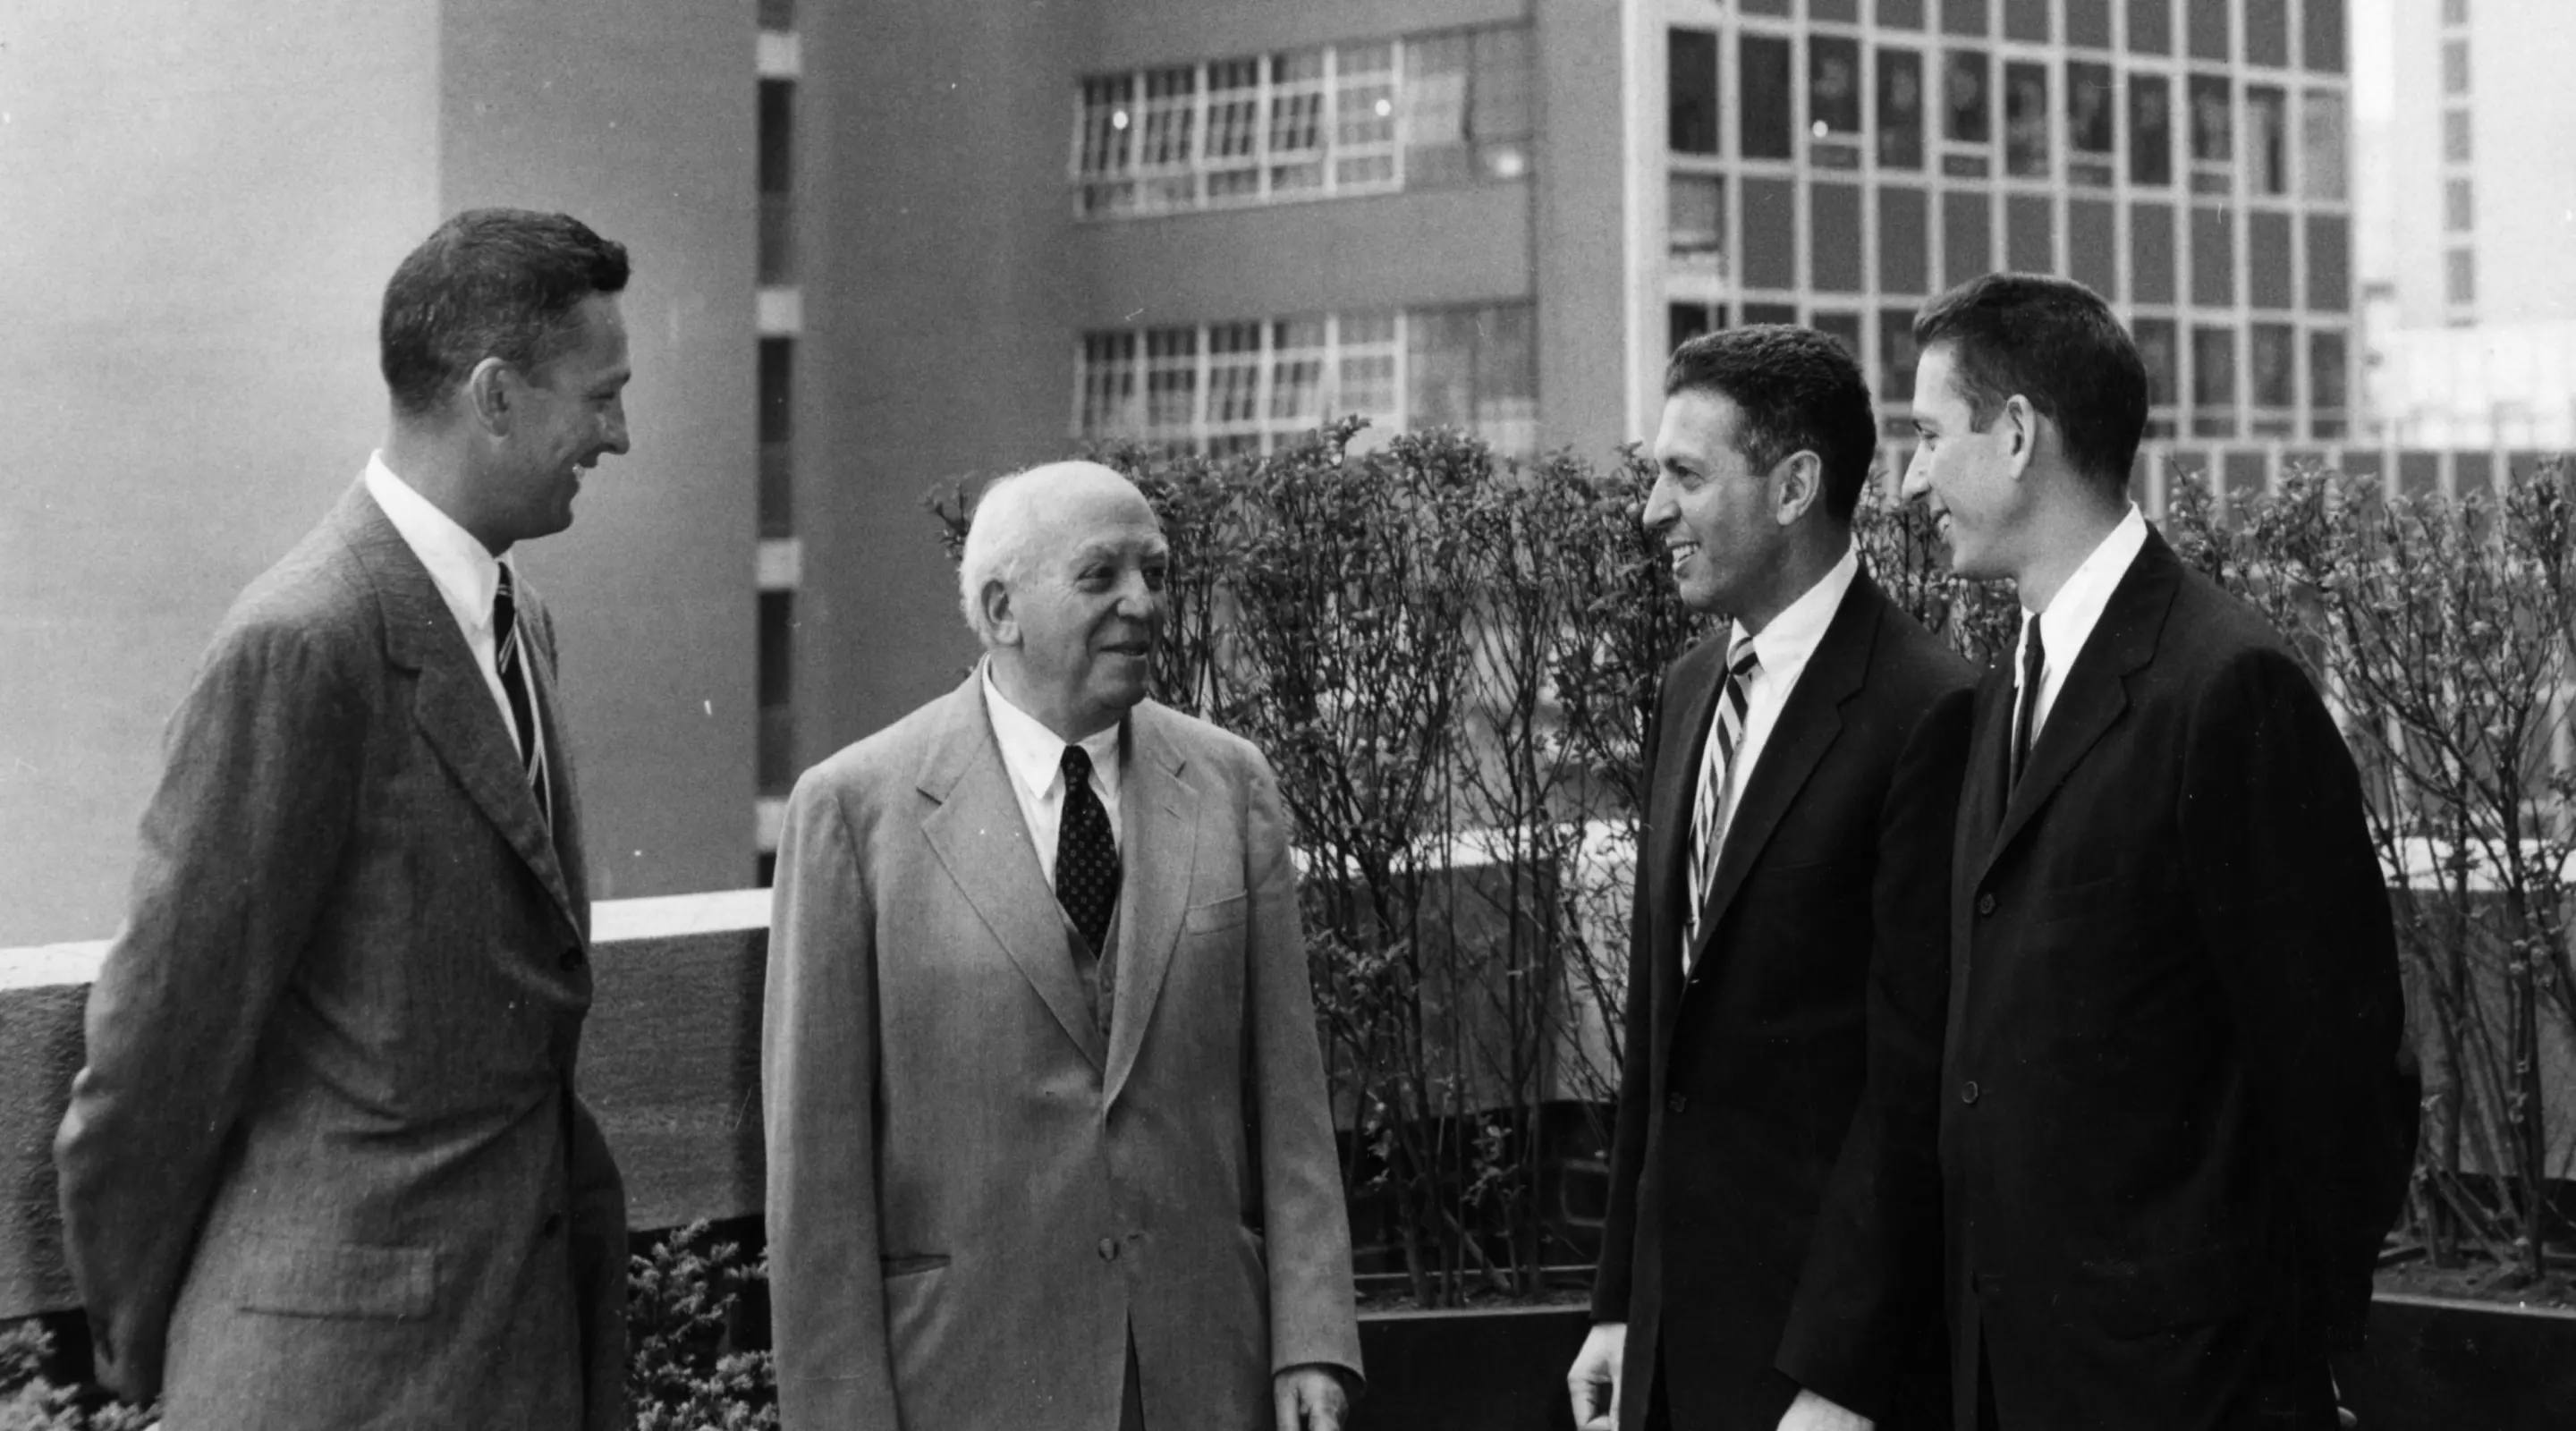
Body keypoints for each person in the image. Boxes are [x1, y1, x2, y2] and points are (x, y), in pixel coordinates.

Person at [54, 208, 637, 1429]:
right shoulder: (305, 639)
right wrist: (150, 1332)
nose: (618, 435)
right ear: (494, 397)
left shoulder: (519, 626)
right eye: (600, 397)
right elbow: (163, 1035)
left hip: (514, 1356)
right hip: (336, 1387)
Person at [1898, 272, 2417, 1430]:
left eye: (1929, 436)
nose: (1911, 478)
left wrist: (2294, 1359)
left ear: (2020, 433)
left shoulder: (2229, 687)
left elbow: (2345, 1084)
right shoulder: (2005, 697)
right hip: (2013, 1382)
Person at [761, 461, 1363, 1430]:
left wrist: (1312, 1341)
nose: (1145, 602)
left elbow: (1289, 1101)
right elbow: (816, 1183)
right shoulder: (852, 812)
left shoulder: (1230, 784)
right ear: (1002, 609)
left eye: (1156, 572)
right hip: (964, 1384)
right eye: (1101, 576)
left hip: (1206, 1376)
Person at [1569, 326, 1974, 1431]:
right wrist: (1618, 1305)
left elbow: (1912, 1086)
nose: (1653, 509)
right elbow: (1662, 1037)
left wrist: (1845, 1377)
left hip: (1823, 1383)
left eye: (1686, 475)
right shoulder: (1690, 687)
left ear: (1796, 486)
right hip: (1666, 1357)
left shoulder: (1931, 712)